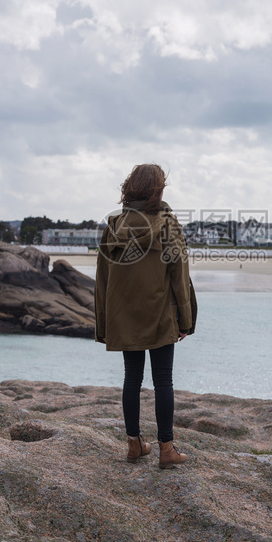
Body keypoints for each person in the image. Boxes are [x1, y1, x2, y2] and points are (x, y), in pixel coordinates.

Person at [94, 164, 197, 469]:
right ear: (158, 190)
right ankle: (166, 449)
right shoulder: (168, 225)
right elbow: (179, 276)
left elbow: (102, 281)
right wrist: (186, 320)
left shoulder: (113, 225)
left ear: (129, 188)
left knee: (131, 378)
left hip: (124, 316)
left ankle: (134, 444)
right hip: (161, 315)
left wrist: (103, 324)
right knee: (163, 380)